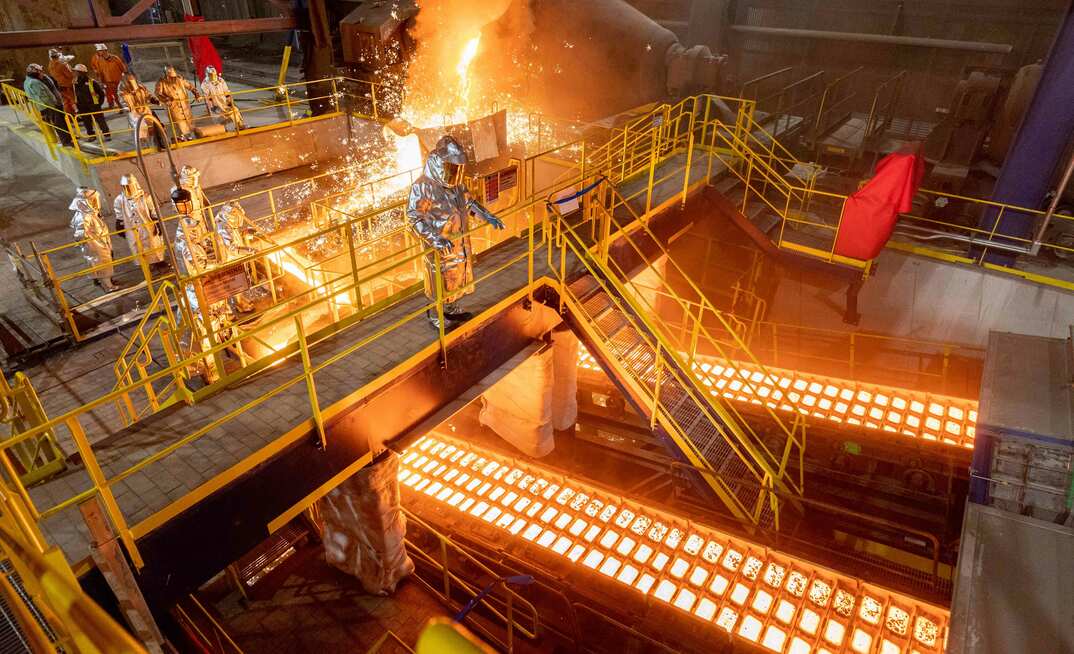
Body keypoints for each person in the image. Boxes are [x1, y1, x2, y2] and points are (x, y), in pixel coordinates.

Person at [406, 136, 505, 330]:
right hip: (440, 247)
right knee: (438, 283)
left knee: (456, 279)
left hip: (458, 243)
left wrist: (488, 216)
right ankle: (436, 316)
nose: (456, 173)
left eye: (458, 169)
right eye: (452, 168)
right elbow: (413, 218)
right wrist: (435, 239)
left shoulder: (456, 184)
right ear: (441, 163)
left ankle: (452, 309)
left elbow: (469, 203)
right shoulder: (424, 186)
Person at [113, 175, 167, 273]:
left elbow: (153, 210)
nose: (127, 189)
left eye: (129, 186)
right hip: (132, 229)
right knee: (137, 247)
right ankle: (147, 267)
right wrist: (119, 224)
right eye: (125, 187)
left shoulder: (145, 197)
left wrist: (157, 223)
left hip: (147, 227)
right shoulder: (119, 200)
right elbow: (119, 214)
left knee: (153, 245)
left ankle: (159, 263)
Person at [69, 187, 116, 292]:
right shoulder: (84, 216)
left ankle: (104, 282)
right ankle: (108, 286)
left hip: (99, 243)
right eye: (94, 199)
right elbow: (80, 234)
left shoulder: (89, 213)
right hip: (95, 245)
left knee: (101, 264)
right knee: (102, 264)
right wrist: (89, 242)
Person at [23, 64, 72, 147]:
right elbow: (44, 97)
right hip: (49, 107)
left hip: (47, 106)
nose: (41, 72)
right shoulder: (34, 82)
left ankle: (68, 138)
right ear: (35, 73)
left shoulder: (28, 81)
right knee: (59, 124)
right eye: (39, 71)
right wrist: (54, 104)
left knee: (60, 123)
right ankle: (66, 141)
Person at [118, 73, 165, 150]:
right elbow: (122, 101)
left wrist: (154, 100)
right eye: (129, 79)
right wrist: (127, 108)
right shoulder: (122, 90)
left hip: (145, 110)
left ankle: (153, 146)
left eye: (132, 78)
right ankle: (143, 148)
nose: (132, 80)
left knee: (151, 128)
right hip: (134, 113)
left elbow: (148, 95)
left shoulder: (140, 87)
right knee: (140, 130)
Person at [155, 66, 199, 141]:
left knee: (188, 120)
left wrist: (196, 94)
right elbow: (158, 93)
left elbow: (190, 86)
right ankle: (180, 136)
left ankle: (189, 136)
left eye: (173, 76)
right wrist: (166, 99)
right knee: (178, 122)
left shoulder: (179, 79)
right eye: (171, 77)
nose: (173, 78)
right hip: (173, 106)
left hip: (184, 104)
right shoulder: (161, 82)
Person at [72, 64, 110, 142]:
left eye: (77, 72)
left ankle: (107, 135)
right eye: (76, 72)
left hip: (94, 105)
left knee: (100, 120)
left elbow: (101, 93)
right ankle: (91, 136)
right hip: (82, 107)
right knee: (87, 122)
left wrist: (99, 103)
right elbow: (74, 94)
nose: (76, 73)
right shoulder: (75, 83)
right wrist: (77, 106)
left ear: (82, 72)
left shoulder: (92, 82)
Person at [200, 66, 244, 130]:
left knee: (235, 110)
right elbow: (208, 97)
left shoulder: (220, 80)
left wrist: (230, 102)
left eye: (213, 74)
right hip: (215, 104)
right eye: (210, 75)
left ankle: (240, 126)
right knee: (219, 119)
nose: (212, 76)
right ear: (207, 74)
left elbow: (226, 92)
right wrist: (212, 107)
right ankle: (223, 130)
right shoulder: (205, 84)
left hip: (224, 102)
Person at [89, 43, 127, 109]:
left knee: (118, 94)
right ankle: (112, 105)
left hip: (117, 80)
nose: (99, 52)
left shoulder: (115, 58)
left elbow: (122, 68)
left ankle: (121, 106)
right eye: (98, 51)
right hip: (107, 81)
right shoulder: (99, 60)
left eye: (100, 50)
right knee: (109, 94)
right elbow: (100, 71)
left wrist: (124, 78)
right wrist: (101, 81)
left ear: (105, 50)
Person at [47, 48, 77, 115]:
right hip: (68, 85)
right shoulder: (62, 65)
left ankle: (69, 116)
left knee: (66, 102)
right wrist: (70, 68)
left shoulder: (50, 65)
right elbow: (70, 75)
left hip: (59, 86)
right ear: (57, 56)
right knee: (73, 100)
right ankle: (77, 114)